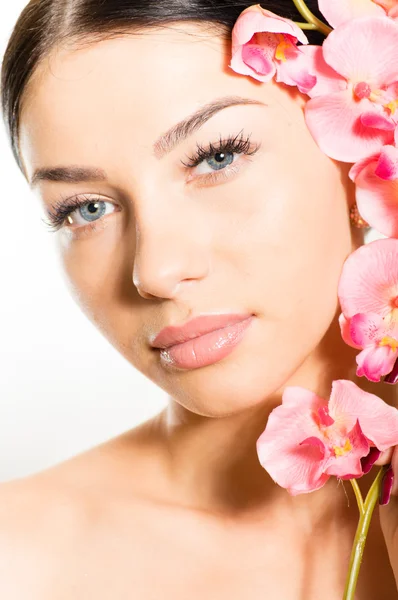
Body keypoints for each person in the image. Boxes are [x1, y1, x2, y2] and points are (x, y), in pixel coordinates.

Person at [0, 0, 397, 597]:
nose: (155, 271)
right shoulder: (21, 557)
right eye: (85, 208)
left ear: (357, 154)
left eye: (218, 157)